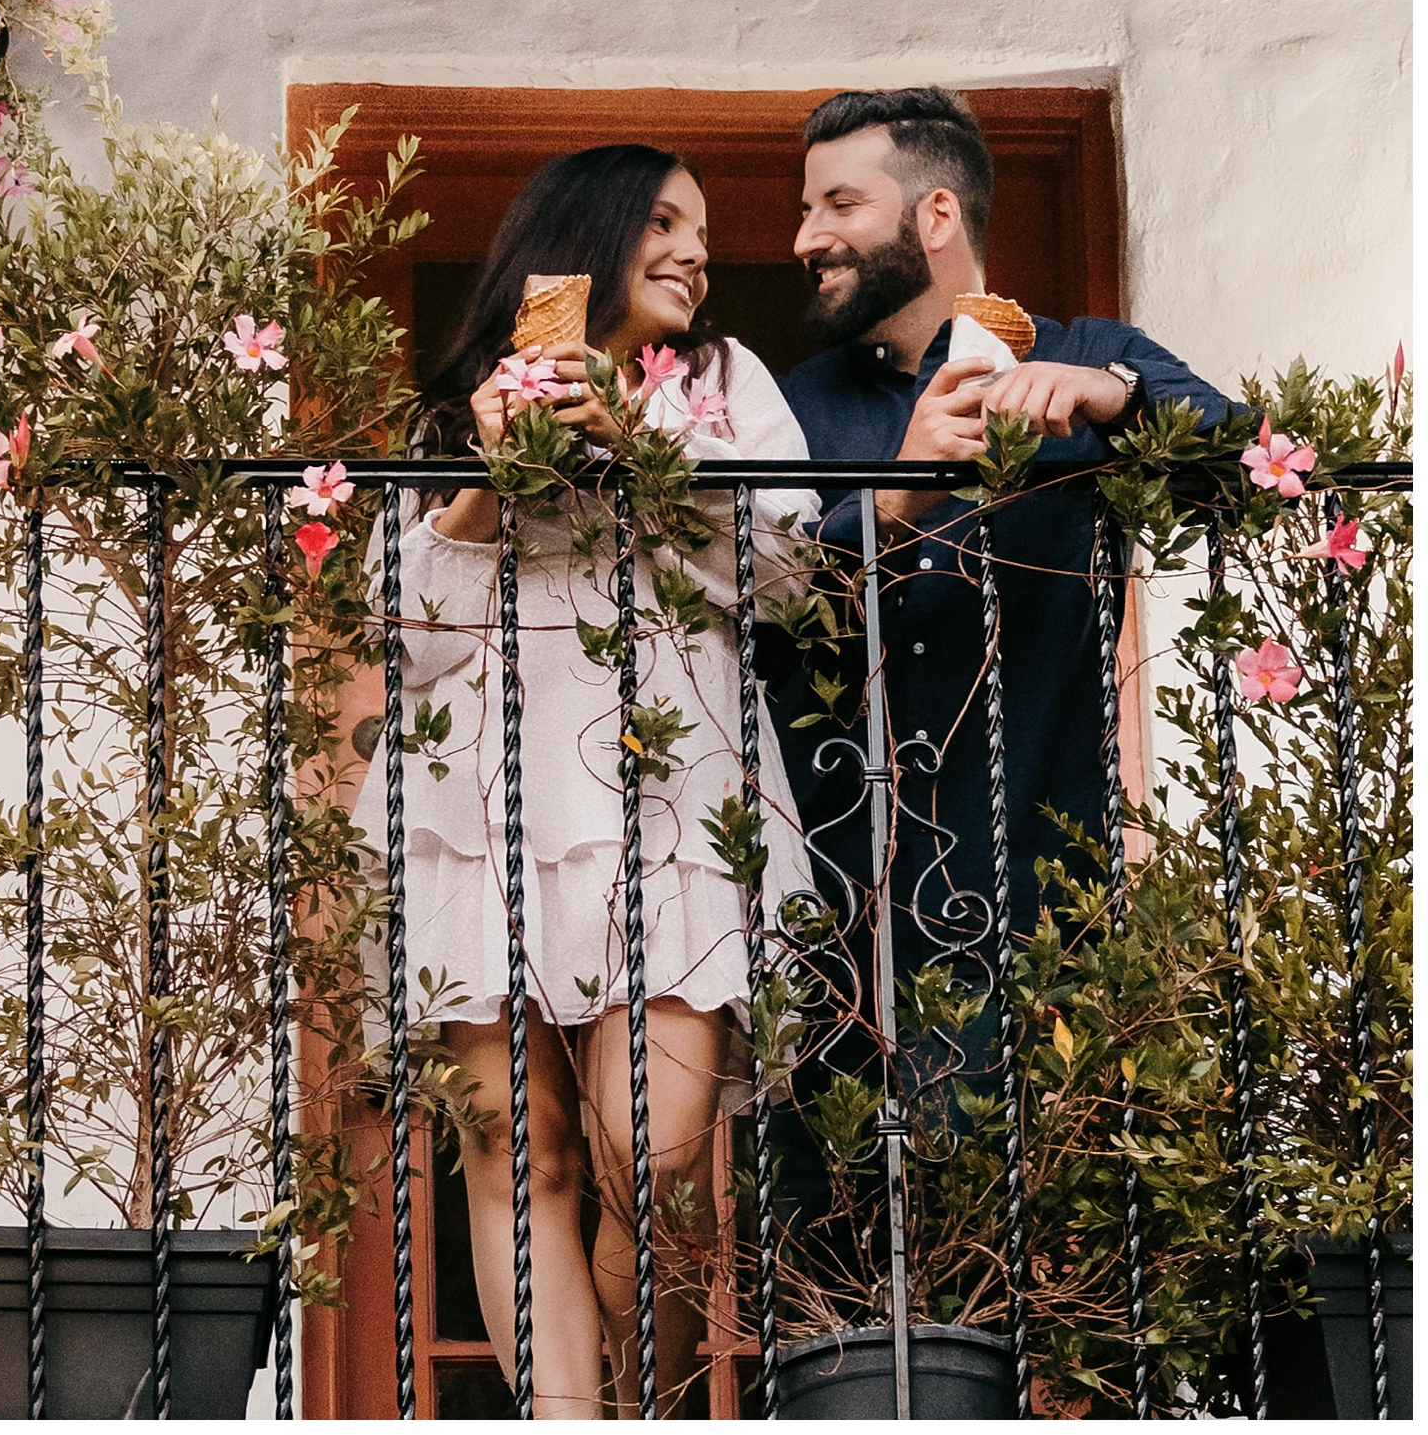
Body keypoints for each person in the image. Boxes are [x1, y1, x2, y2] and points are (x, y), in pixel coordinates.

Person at [344, 144, 820, 1418]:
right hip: (483, 806)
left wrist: (641, 455)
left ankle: (637, 1403)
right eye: (665, 221)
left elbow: (784, 572)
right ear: (587, 233)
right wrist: (485, 491)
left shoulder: (723, 384)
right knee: (519, 1147)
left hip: (668, 803)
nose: (694, 251)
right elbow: (408, 631)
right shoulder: (453, 411)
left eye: (702, 230)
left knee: (652, 1162)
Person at [764, 89, 1235, 1282]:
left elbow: (1252, 467)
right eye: (803, 207)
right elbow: (762, 606)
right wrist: (896, 489)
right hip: (834, 895)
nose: (804, 236)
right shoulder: (789, 402)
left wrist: (1111, 402)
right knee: (840, 1265)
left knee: (1049, 1258)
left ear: (932, 213)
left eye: (836, 204)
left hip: (1037, 878)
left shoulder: (1091, 350)